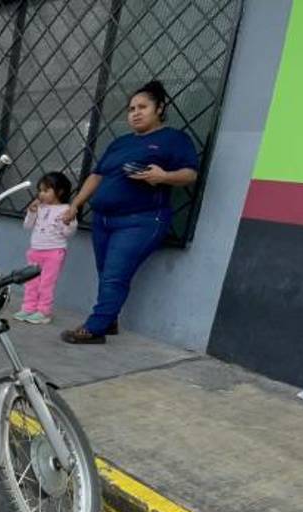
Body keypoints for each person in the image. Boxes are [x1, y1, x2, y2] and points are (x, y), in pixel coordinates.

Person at [60, 80, 199, 344]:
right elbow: (97, 175)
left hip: (141, 220)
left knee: (115, 273)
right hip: (104, 220)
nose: (135, 112)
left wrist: (164, 176)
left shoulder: (174, 139)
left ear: (160, 108)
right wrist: (76, 204)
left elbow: (190, 174)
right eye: (131, 108)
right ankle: (109, 319)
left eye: (142, 107)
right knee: (106, 272)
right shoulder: (120, 143)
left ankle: (95, 328)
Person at [14, 171, 76, 325]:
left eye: (46, 190)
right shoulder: (39, 207)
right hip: (35, 251)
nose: (41, 194)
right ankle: (28, 308)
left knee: (46, 283)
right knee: (31, 281)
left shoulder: (66, 209)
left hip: (54, 252)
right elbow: (27, 226)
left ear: (60, 191)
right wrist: (31, 212)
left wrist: (68, 222)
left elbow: (68, 233)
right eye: (40, 190)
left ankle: (44, 311)